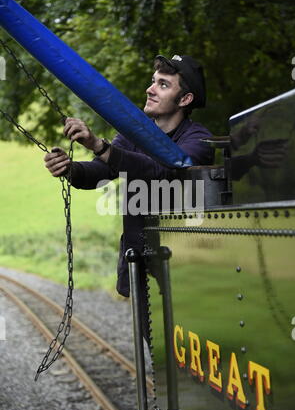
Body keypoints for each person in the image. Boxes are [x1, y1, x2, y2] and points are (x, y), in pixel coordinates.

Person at [44, 54, 214, 304]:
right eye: (153, 81)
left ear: (185, 99)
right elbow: (100, 172)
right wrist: (70, 169)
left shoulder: (198, 139)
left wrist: (98, 145)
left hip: (186, 267)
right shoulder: (133, 134)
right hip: (140, 263)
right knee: (150, 341)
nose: (150, 89)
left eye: (163, 84)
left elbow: (164, 170)